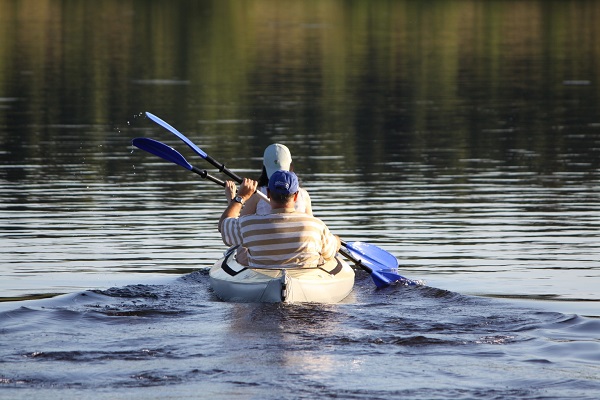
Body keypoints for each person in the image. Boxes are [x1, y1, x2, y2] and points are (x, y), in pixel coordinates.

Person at [219, 170, 340, 269]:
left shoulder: (249, 224)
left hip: (261, 281)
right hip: (303, 283)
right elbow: (330, 252)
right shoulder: (316, 226)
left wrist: (240, 197)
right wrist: (336, 240)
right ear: (296, 195)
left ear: (268, 193)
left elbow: (224, 227)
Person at [225, 143, 312, 216]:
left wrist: (233, 200)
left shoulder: (256, 195)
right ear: (290, 165)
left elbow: (239, 228)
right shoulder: (303, 195)